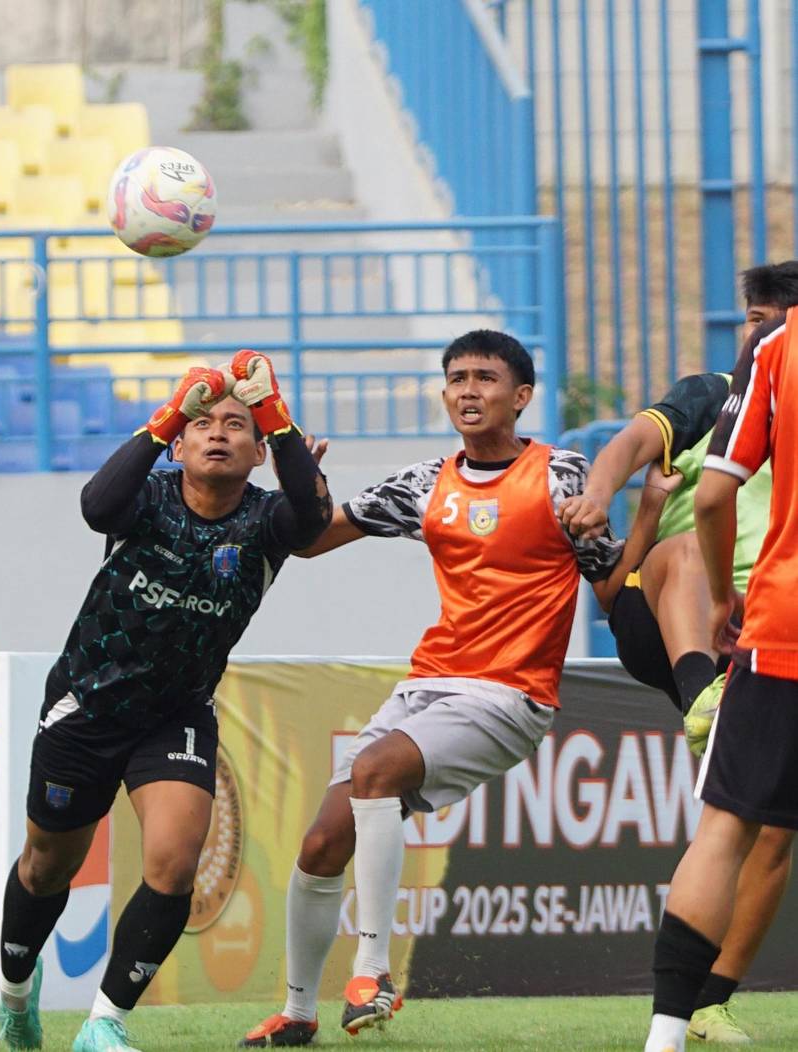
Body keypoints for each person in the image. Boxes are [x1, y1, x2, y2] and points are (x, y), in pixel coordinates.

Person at [240, 330, 624, 1047]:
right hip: (430, 685)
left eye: (485, 377)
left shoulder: (561, 476)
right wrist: (298, 476)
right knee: (322, 843)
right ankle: (297, 1013)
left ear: (522, 396)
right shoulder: (423, 484)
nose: (468, 390)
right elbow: (312, 538)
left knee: (374, 771)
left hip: (510, 694)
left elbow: (610, 582)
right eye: (456, 378)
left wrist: (651, 528)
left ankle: (374, 972)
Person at [0, 354, 330, 1052]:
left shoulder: (268, 520)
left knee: (175, 864)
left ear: (259, 452)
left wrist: (277, 416)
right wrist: (171, 411)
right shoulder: (147, 495)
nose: (218, 433)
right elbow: (95, 507)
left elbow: (314, 515)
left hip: (176, 714)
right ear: (178, 445)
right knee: (46, 865)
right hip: (86, 704)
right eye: (203, 424)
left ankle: (104, 1021)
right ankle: (16, 995)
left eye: (236, 425)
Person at [562, 261, 798, 1044]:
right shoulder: (713, 395)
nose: (754, 333)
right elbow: (634, 443)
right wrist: (602, 492)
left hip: (763, 635)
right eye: (749, 318)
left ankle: (708, 1002)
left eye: (767, 319)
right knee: (691, 548)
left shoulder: (779, 381)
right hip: (676, 617)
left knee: (767, 828)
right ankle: (700, 693)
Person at [642, 313, 798, 1052]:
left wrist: (721, 598)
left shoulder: (777, 346)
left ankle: (667, 1036)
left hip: (784, 626)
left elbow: (711, 495)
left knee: (726, 829)